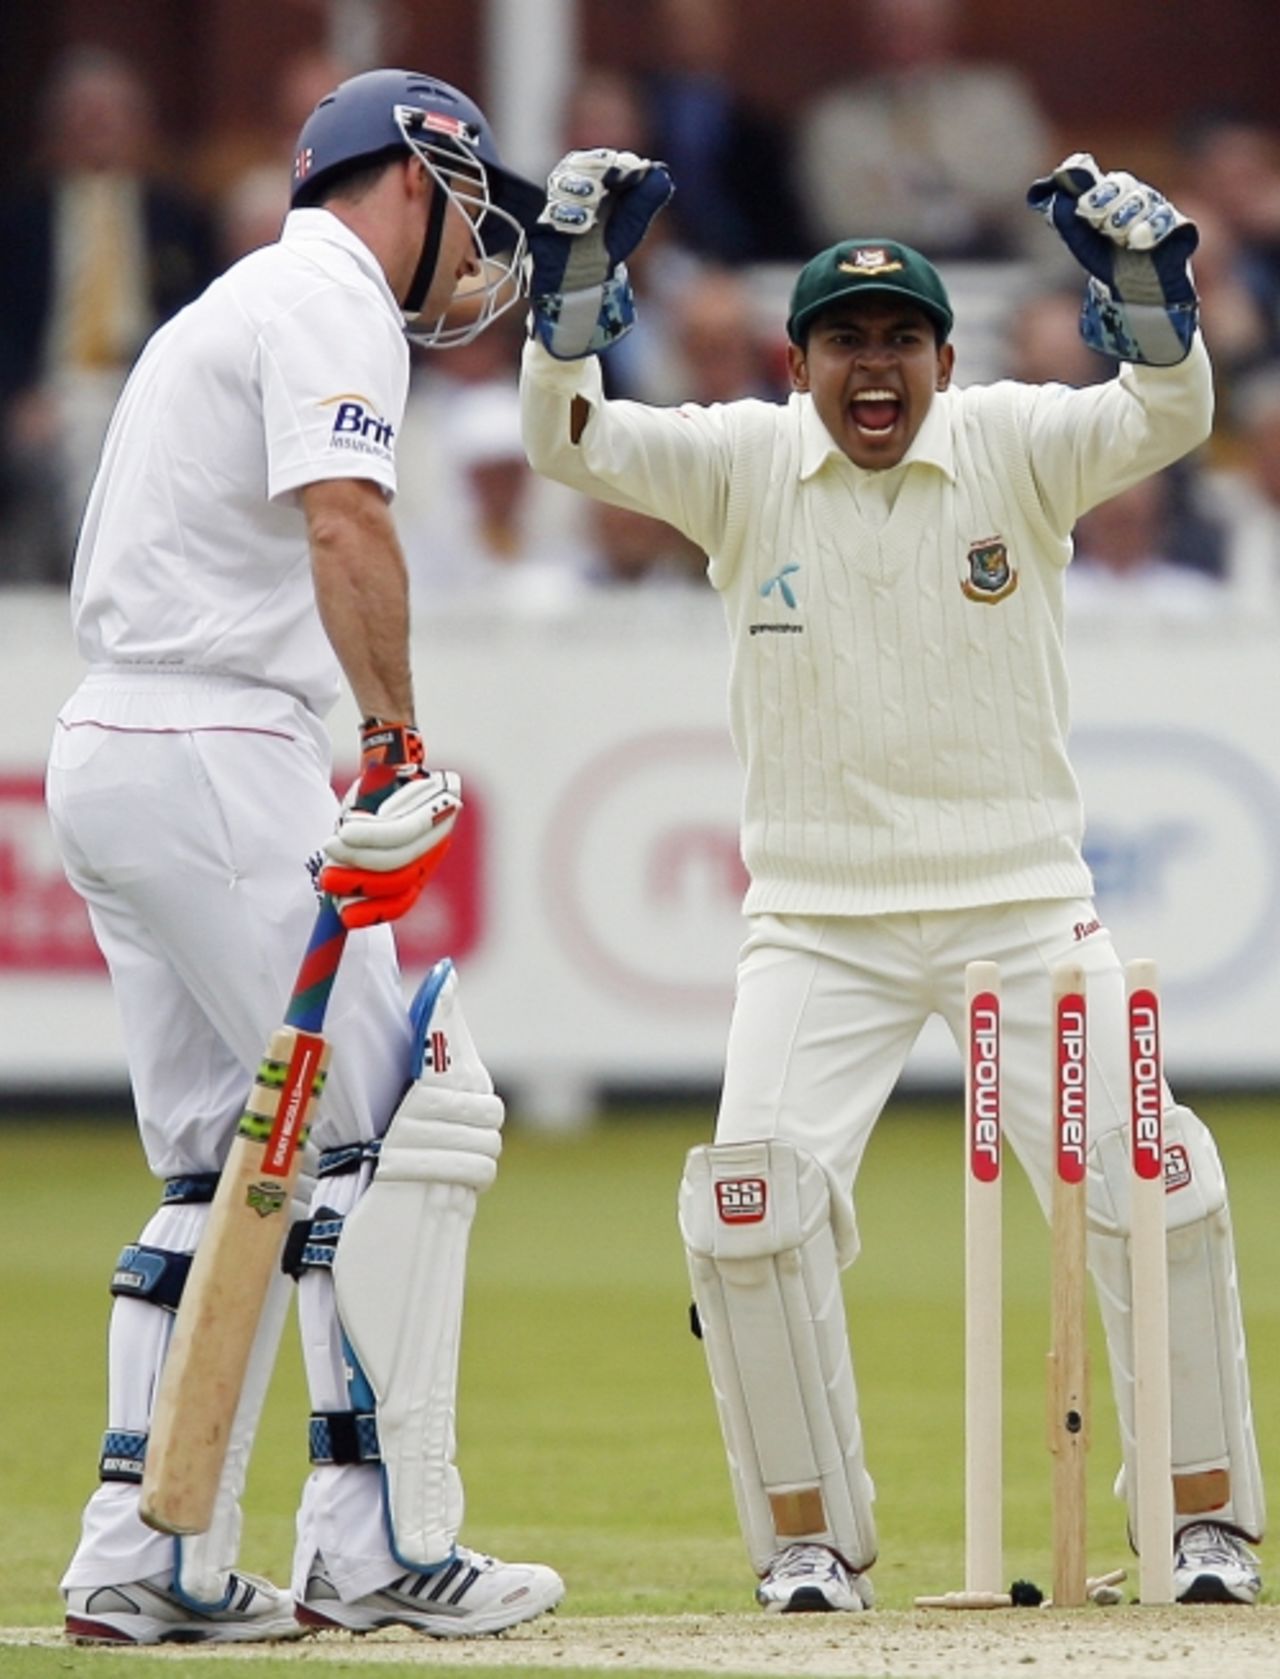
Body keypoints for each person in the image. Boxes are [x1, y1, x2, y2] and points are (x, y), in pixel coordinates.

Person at [520, 148, 1265, 1610]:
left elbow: (1170, 412)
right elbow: (570, 440)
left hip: (1026, 903)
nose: (876, 371)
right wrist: (575, 304)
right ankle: (811, 1536)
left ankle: (1201, 1525)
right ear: (796, 363)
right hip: (817, 923)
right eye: (847, 344)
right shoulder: (741, 459)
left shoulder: (1015, 442)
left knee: (1155, 1180)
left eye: (902, 343)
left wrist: (1153, 310)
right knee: (748, 1207)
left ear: (942, 357)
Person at [46, 68, 564, 1645]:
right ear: (407, 177)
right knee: (399, 1120)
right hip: (216, 749)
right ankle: (381, 1542)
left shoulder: (233, 298)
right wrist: (396, 736)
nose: (473, 259)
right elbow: (345, 513)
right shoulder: (329, 294)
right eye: (467, 216)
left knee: (220, 1161)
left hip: (117, 745)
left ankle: (146, 1553)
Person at [0, 46, 217, 579]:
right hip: (50, 389)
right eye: (84, 113)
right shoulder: (20, 218)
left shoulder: (178, 216)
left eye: (112, 113)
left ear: (139, 124)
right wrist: (16, 396)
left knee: (110, 424)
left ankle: (107, 581)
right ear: (57, 126)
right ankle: (93, 579)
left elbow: (203, 313)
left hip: (148, 385)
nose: (99, 125)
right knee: (81, 428)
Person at [795, 0, 1053, 261]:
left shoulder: (998, 100)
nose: (903, 45)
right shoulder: (834, 119)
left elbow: (1027, 192)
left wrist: (899, 190)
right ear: (870, 35)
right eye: (891, 30)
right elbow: (838, 220)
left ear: (946, 32)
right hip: (880, 274)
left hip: (999, 267)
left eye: (917, 29)